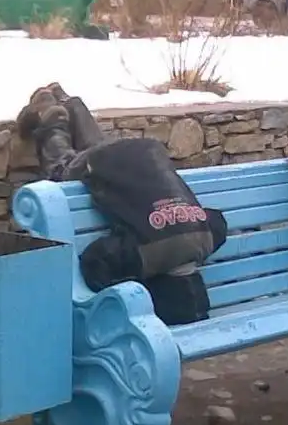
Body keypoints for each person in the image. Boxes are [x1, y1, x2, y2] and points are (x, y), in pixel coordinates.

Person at [17, 83, 227, 326]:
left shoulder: (207, 238)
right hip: (101, 165)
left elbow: (218, 220)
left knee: (101, 150)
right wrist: (134, 273)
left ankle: (71, 103)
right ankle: (49, 114)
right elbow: (94, 262)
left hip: (144, 153)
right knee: (61, 167)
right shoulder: (145, 257)